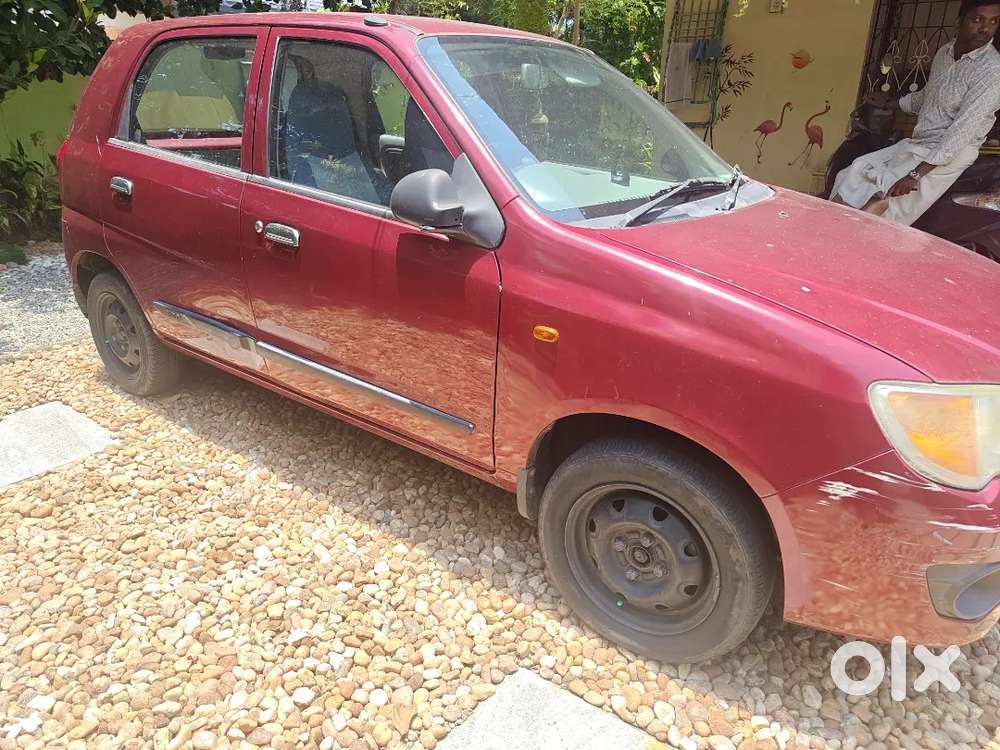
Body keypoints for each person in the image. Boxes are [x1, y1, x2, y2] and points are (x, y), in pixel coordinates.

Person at [830, 0, 1000, 225]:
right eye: (977, 19)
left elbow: (962, 132)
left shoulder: (991, 71)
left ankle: (858, 248)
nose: (985, 28)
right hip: (919, 143)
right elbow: (928, 97)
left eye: (993, 21)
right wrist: (890, 103)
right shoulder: (945, 54)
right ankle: (832, 231)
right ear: (959, 22)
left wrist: (916, 175)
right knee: (852, 173)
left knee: (886, 206)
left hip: (948, 154)